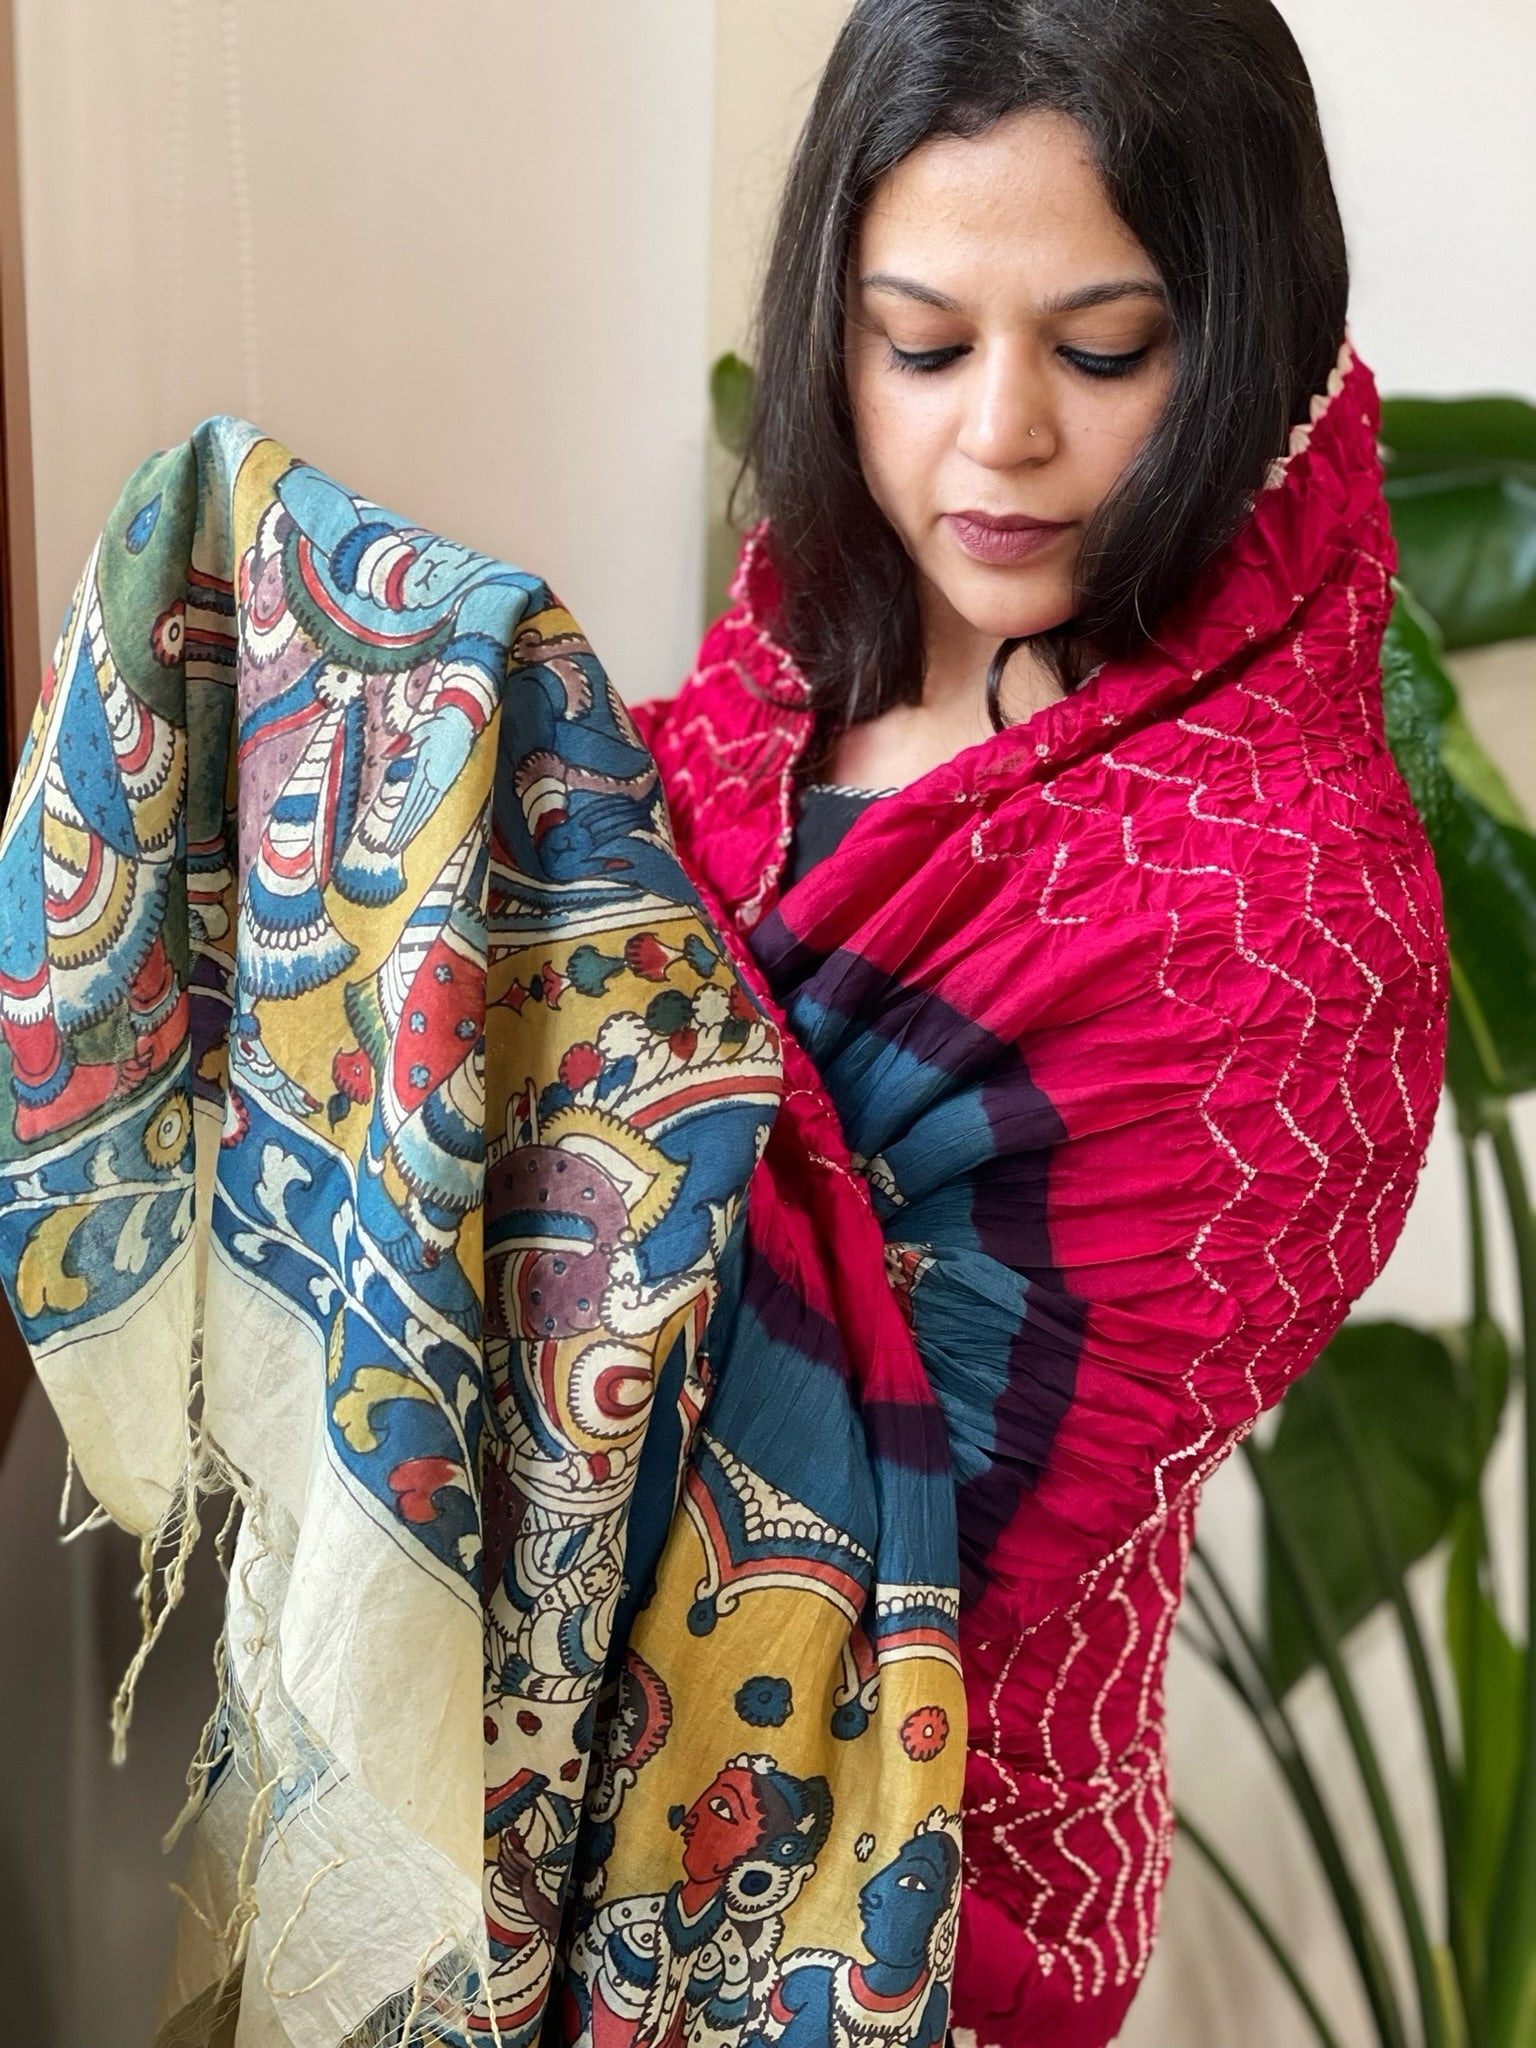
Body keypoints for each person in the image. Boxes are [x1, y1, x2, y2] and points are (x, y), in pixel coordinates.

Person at [595, 1, 1447, 2044]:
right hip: (529, 1783)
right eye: (919, 341)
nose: (996, 438)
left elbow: (943, 1517)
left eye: (1101, 348)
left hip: (920, 1894)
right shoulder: (811, 600)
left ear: (1247, 333)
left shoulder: (1288, 918)